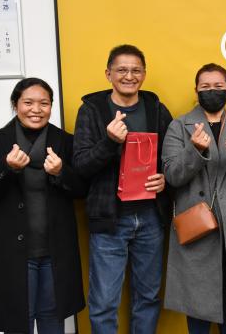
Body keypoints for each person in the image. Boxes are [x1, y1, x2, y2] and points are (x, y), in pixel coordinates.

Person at [0, 78, 86, 333]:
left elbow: (83, 190)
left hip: (56, 251)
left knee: (52, 321)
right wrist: (6, 168)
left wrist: (61, 172)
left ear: (51, 106)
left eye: (44, 103)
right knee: (18, 321)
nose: (36, 110)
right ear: (15, 104)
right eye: (28, 102)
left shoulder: (66, 141)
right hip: (12, 253)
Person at [73, 44, 173, 333]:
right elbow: (80, 165)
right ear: (108, 74)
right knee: (104, 302)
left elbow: (171, 157)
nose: (129, 76)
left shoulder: (156, 109)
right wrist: (109, 142)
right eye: (122, 70)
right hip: (110, 219)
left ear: (144, 74)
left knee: (148, 298)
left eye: (136, 70)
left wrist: (165, 178)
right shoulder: (92, 110)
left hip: (151, 217)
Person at [162, 63, 226, 334]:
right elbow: (172, 175)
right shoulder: (178, 126)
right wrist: (194, 150)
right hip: (197, 228)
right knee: (197, 310)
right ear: (196, 91)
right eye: (205, 87)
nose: (212, 91)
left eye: (218, 86)